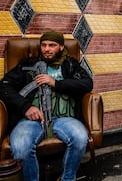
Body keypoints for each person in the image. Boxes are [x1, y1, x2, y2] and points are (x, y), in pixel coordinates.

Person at [0, 31, 93, 181]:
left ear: (61, 47)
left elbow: (87, 84)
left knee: (80, 138)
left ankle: (67, 178)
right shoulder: (28, 64)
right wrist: (26, 107)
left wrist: (56, 83)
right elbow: (4, 87)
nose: (46, 49)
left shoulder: (70, 65)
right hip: (31, 120)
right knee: (21, 147)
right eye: (43, 45)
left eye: (52, 45)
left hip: (64, 118)